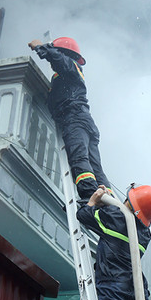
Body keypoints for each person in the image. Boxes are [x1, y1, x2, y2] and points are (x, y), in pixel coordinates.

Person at [28, 35, 112, 199]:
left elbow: (59, 59)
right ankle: (108, 199)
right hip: (83, 121)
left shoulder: (71, 67)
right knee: (95, 167)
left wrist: (41, 47)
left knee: (79, 158)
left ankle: (90, 195)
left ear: (65, 54)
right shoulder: (65, 76)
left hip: (75, 120)